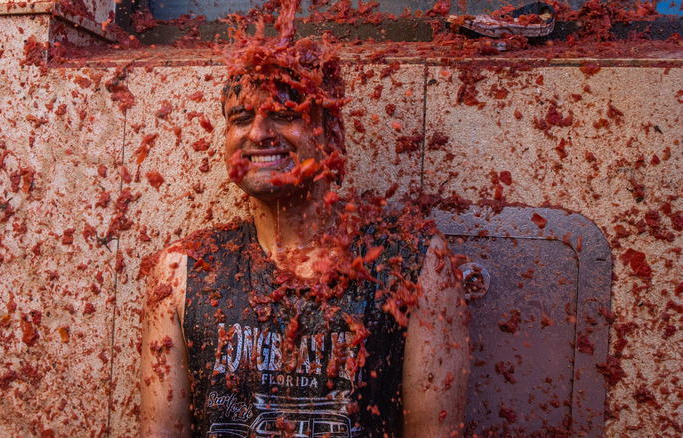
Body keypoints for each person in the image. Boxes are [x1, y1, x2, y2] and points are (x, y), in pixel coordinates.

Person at [140, 35, 470, 438]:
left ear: (331, 132)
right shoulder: (184, 271)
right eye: (241, 118)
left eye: (283, 112)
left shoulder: (412, 263)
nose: (259, 133)